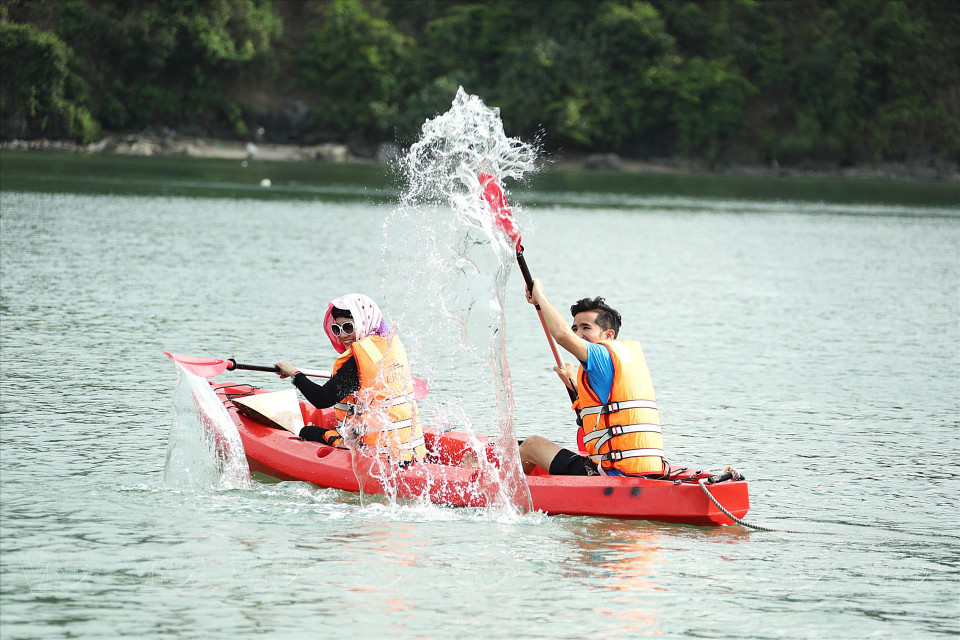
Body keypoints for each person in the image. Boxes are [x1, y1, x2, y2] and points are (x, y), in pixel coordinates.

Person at [518, 279, 665, 477]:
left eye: (586, 328)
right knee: (518, 445)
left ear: (608, 335)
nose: (578, 334)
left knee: (531, 445)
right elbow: (604, 416)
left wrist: (540, 298)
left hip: (612, 475)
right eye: (575, 329)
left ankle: (498, 494)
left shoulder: (602, 355)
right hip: (644, 471)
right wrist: (574, 385)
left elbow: (561, 335)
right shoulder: (620, 359)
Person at [275, 293, 426, 464]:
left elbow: (321, 399)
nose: (342, 335)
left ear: (363, 322)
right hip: (410, 451)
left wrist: (294, 373)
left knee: (306, 431)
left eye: (348, 327)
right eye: (336, 329)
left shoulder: (358, 360)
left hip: (379, 457)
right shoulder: (389, 345)